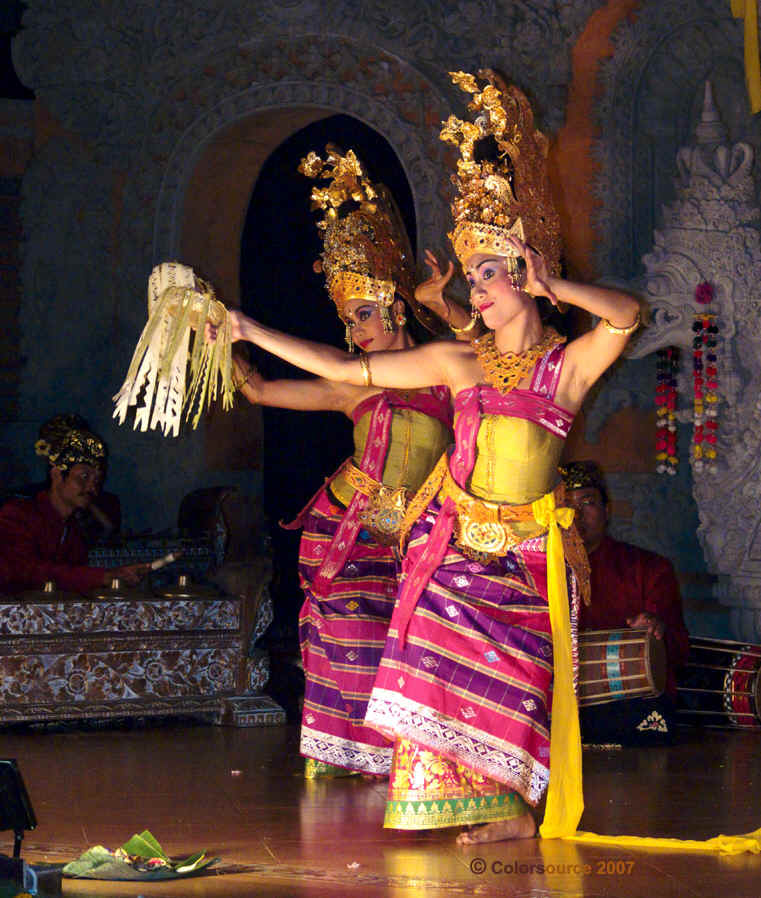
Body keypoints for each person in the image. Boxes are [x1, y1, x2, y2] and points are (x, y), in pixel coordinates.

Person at [209, 71, 641, 843]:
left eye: (486, 271)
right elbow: (344, 371)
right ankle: (469, 802)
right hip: (454, 543)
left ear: (526, 274)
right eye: (470, 275)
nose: (474, 288)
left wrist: (559, 279)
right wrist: (249, 330)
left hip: (528, 548)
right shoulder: (458, 366)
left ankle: (512, 806)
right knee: (432, 657)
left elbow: (627, 316)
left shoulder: (564, 367)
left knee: (518, 680)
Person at [230, 148, 460, 780]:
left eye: (363, 314)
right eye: (347, 320)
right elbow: (258, 391)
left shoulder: (448, 366)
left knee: (410, 642)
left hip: (416, 532)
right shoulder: (351, 384)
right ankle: (354, 760)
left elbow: (494, 353)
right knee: (354, 636)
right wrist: (209, 337)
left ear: (391, 303)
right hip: (347, 526)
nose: (355, 331)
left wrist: (442, 304)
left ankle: (405, 760)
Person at [561, 460, 690, 744]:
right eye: (566, 504)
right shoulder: (537, 572)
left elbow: (679, 652)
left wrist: (656, 630)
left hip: (628, 705)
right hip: (560, 706)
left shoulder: (649, 568)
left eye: (588, 502)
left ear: (607, 511)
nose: (576, 514)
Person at [0, 415, 151, 595]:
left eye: (97, 480)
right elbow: (25, 571)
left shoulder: (73, 528)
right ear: (57, 474)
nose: (92, 487)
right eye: (84, 476)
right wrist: (104, 577)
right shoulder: (17, 514)